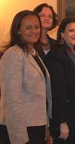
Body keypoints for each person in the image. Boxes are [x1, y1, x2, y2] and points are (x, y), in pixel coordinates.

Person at [0, 10, 52, 144]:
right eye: (28, 27)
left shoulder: (34, 53)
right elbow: (12, 100)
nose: (34, 31)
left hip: (36, 125)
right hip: (21, 129)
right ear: (18, 30)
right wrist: (20, 138)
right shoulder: (13, 55)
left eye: (36, 27)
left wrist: (45, 125)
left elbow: (41, 96)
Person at [45, 17, 75, 143]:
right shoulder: (56, 55)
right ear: (62, 33)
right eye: (71, 31)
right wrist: (62, 122)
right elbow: (58, 91)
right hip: (65, 119)